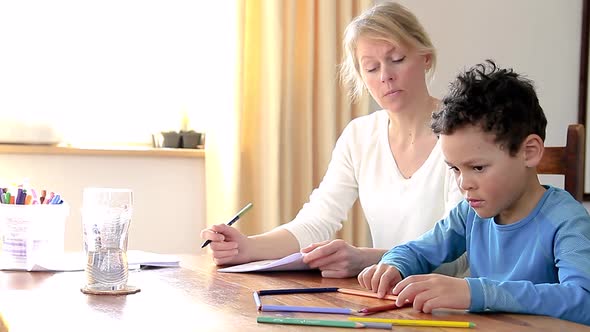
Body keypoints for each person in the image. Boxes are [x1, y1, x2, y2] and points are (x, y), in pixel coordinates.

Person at [200, 1, 466, 278]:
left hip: (448, 306)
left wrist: (366, 259)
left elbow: (457, 256)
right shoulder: (359, 136)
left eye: (397, 59)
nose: (386, 76)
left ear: (425, 57)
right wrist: (246, 247)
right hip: (389, 298)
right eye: (371, 68)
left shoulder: (461, 134)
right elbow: (316, 221)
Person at [357, 60, 590, 325]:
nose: (464, 183)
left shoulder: (567, 220)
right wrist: (394, 264)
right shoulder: (470, 213)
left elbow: (583, 300)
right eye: (455, 169)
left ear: (529, 152)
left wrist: (476, 292)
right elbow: (419, 250)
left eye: (477, 167)